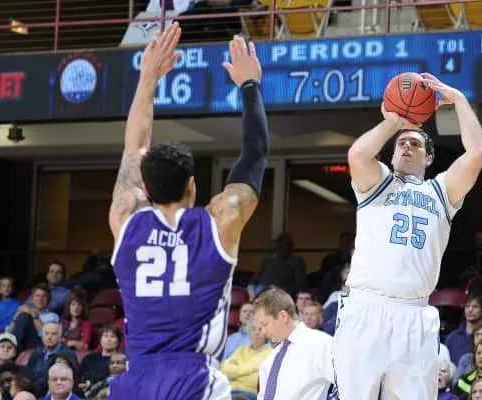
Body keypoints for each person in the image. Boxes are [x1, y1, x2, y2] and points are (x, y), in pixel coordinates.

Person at [107, 23, 269, 400]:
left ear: (145, 189)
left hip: (134, 381)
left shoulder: (125, 219)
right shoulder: (220, 221)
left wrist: (148, 78)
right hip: (193, 379)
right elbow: (255, 157)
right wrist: (250, 86)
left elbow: (134, 149)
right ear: (192, 187)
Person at [333, 73, 482, 400]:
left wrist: (459, 100)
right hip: (367, 307)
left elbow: (475, 154)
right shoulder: (377, 182)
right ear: (391, 154)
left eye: (415, 143)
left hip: (415, 314)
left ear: (428, 158)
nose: (406, 146)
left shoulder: (441, 192)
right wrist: (395, 122)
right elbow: (357, 156)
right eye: (401, 143)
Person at [254, 288, 334, 400]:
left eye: (265, 324)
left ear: (283, 316)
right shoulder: (270, 359)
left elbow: (348, 385)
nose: (263, 332)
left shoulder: (321, 343)